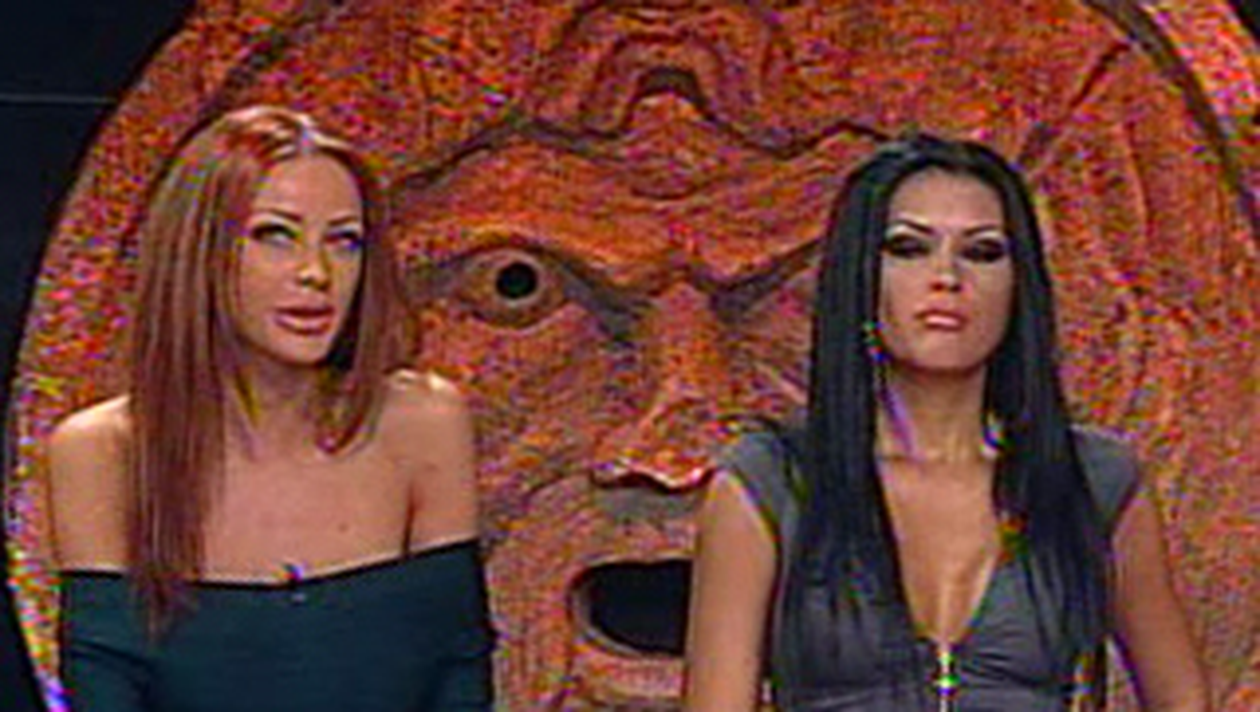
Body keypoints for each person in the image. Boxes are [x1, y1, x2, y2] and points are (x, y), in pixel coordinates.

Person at [685, 135, 1209, 711]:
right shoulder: (771, 481)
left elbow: (1183, 700)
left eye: (982, 252)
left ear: (1019, 283)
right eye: (909, 248)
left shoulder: (1092, 479)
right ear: (861, 275)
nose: (947, 277)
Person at [48, 106, 493, 711]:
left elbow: (460, 684)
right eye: (275, 236)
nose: (317, 273)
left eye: (344, 241)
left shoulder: (424, 425)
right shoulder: (102, 452)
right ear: (198, 251)